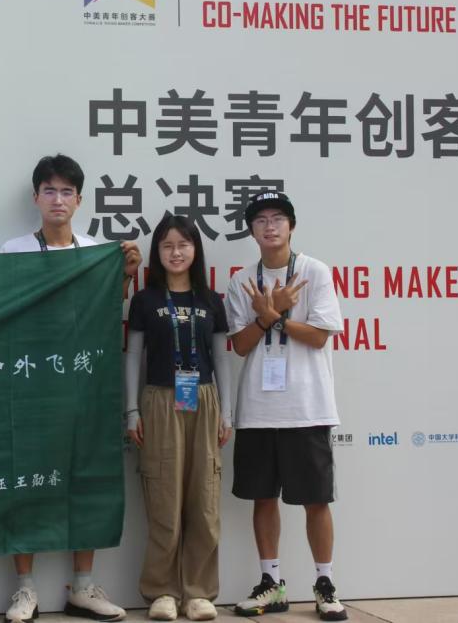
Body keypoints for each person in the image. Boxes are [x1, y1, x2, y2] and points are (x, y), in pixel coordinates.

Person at [0, 153, 139, 623]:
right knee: (26, 483)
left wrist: (123, 275)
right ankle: (25, 590)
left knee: (87, 479)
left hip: (85, 385)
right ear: (36, 197)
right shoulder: (13, 251)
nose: (57, 199)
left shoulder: (95, 250)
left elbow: (106, 309)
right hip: (30, 385)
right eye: (49, 191)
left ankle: (82, 586)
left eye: (66, 192)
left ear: (79, 200)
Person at [224, 192, 346, 621]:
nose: (270, 226)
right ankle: (270, 583)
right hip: (258, 408)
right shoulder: (242, 280)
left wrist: (275, 316)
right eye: (260, 220)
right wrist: (264, 316)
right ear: (251, 230)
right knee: (262, 497)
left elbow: (319, 335)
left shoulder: (315, 271)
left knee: (316, 500)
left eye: (278, 218)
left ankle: (325, 584)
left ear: (291, 225)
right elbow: (240, 346)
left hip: (307, 406)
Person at [125, 215, 232, 622]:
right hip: (159, 400)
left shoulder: (211, 300)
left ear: (195, 250)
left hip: (204, 401)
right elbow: (133, 357)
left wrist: (227, 411)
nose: (176, 252)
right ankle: (162, 592)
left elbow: (221, 358)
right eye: (167, 245)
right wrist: (132, 409)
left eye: (183, 245)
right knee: (163, 500)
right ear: (157, 252)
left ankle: (199, 593)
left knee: (204, 501)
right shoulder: (145, 300)